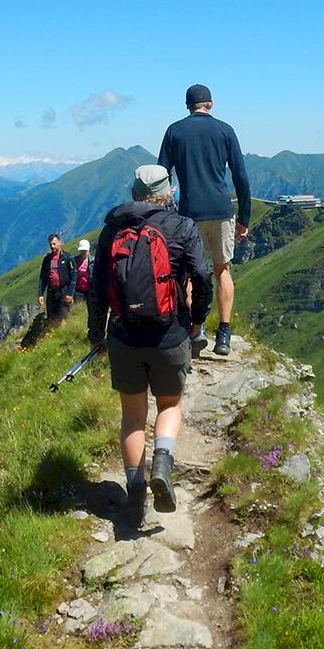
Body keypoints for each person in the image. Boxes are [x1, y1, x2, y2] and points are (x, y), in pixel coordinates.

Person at [87, 164, 213, 513]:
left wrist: (96, 334)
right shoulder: (182, 226)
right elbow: (202, 275)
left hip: (125, 337)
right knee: (169, 405)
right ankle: (162, 463)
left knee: (131, 416)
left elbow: (97, 289)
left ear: (133, 194)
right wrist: (197, 321)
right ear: (168, 192)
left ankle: (135, 489)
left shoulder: (112, 229)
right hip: (170, 335)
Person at [157, 83, 250, 356]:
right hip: (221, 210)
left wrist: (164, 214)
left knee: (187, 274)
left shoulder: (174, 131)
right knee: (222, 269)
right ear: (210, 104)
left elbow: (162, 175)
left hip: (189, 214)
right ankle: (224, 333)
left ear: (187, 105)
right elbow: (241, 178)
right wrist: (244, 217)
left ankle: (193, 330)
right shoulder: (225, 130)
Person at [36, 233, 75, 320]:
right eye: (50, 244)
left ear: (60, 243)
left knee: (63, 318)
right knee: (51, 318)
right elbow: (43, 278)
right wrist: (40, 294)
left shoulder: (68, 258)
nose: (52, 246)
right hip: (51, 293)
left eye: (54, 244)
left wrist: (70, 293)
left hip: (63, 292)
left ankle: (63, 333)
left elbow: (74, 276)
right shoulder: (47, 259)